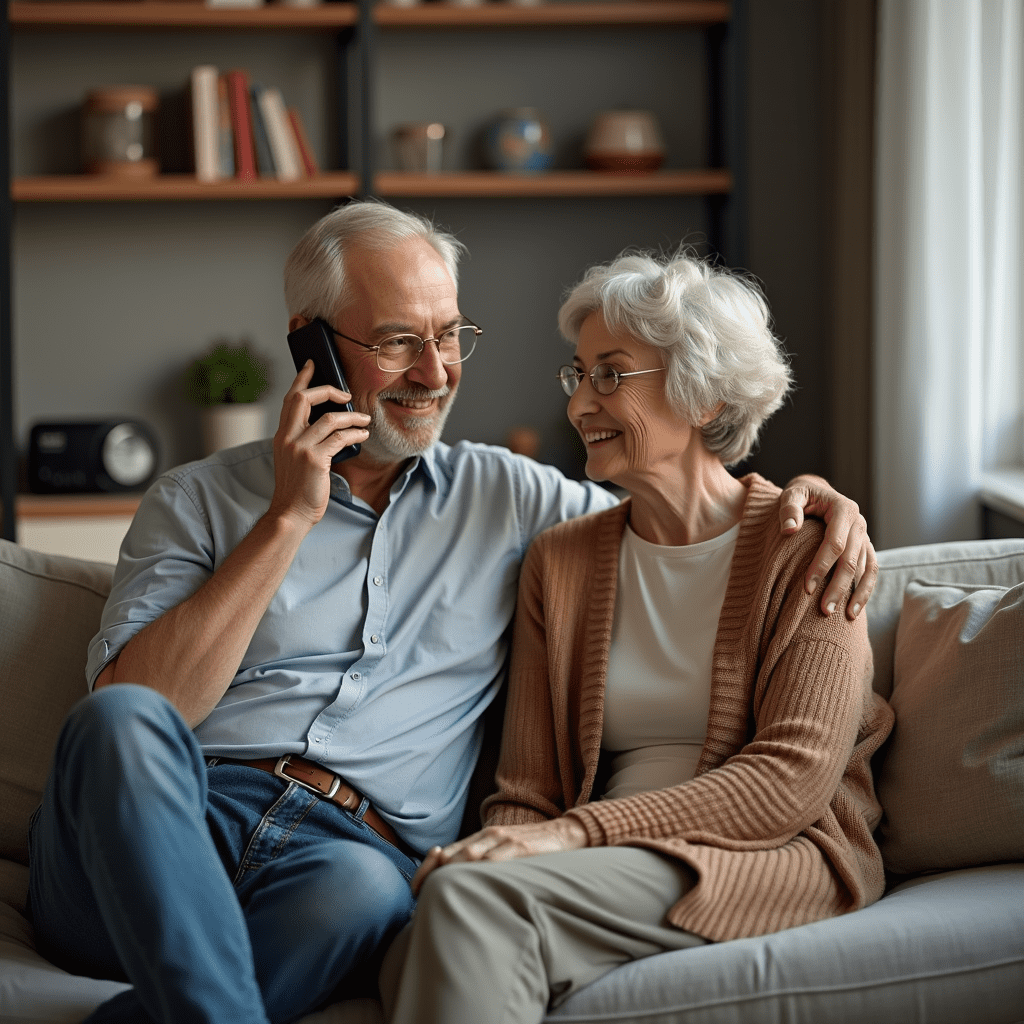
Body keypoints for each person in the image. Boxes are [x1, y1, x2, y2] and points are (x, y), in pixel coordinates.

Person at [27, 201, 877, 1024]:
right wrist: (289, 516)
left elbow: (679, 504)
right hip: (170, 826)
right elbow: (148, 711)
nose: (435, 373)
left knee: (363, 895)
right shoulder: (196, 500)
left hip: (339, 862)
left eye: (449, 337)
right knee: (120, 721)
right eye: (400, 341)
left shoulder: (519, 503)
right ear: (312, 345)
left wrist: (816, 499)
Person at [380, 250, 895, 1024]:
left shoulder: (808, 547)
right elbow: (527, 790)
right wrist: (506, 848)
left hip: (770, 854)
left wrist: (572, 837)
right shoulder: (560, 561)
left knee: (466, 911)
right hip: (602, 858)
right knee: (428, 924)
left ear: (702, 393)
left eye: (610, 375)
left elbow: (791, 779)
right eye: (577, 375)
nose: (580, 403)